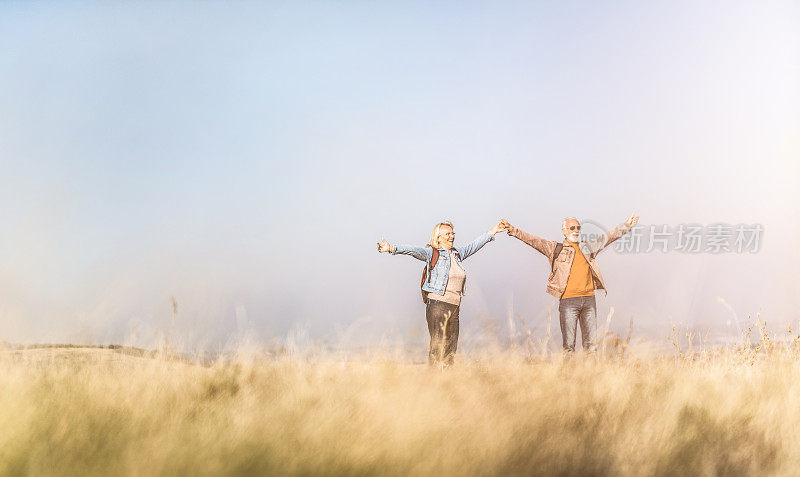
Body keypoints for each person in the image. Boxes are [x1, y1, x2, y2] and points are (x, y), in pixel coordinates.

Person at [499, 214, 639, 354]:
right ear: (564, 231)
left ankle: (591, 374)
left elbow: (607, 238)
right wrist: (512, 229)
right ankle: (568, 375)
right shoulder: (555, 248)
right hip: (568, 301)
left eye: (578, 227)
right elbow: (533, 240)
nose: (576, 230)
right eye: (572, 227)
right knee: (569, 346)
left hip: (589, 300)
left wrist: (626, 226)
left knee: (591, 346)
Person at [377, 220, 506, 365]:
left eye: (453, 233)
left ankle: (447, 383)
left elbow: (474, 245)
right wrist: (392, 248)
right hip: (438, 305)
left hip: (454, 306)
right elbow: (413, 250)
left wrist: (493, 231)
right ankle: (433, 381)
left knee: (451, 350)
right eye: (448, 234)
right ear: (438, 237)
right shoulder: (432, 252)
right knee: (438, 348)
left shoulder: (457, 254)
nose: (452, 236)